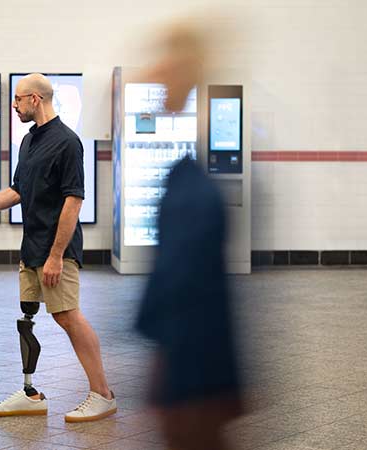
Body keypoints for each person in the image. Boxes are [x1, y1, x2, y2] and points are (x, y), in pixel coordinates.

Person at [0, 73, 116, 423]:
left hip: (57, 249)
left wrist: (56, 255)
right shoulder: (29, 141)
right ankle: (30, 394)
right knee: (28, 316)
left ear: (35, 99)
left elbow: (73, 200)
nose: (14, 105)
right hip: (32, 245)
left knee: (68, 316)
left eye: (19, 99)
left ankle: (103, 394)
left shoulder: (68, 142)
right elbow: (17, 191)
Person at [136, 21, 243, 450]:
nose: (154, 75)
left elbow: (181, 283)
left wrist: (164, 364)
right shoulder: (189, 176)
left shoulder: (191, 185)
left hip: (193, 368)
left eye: (163, 62)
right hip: (204, 366)